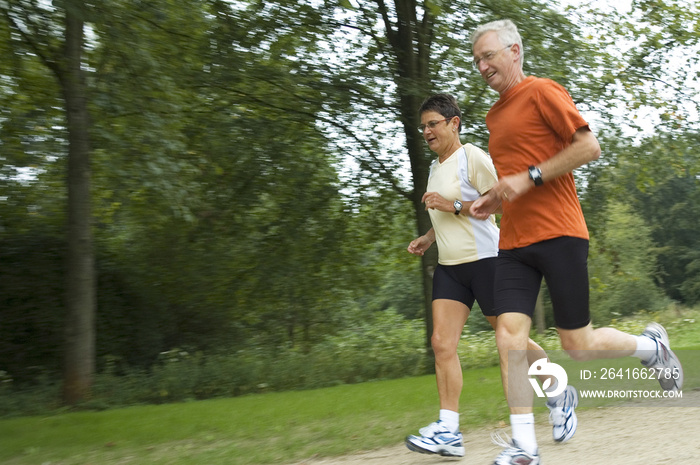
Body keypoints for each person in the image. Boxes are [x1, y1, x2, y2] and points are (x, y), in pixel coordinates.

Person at [468, 19, 684, 465]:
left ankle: (652, 347)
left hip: (560, 233)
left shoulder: (543, 90)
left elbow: (589, 147)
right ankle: (525, 446)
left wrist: (527, 178)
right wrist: (494, 198)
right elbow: (516, 177)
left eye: (488, 55)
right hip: (513, 242)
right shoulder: (493, 114)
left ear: (514, 51)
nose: (482, 65)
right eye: (476, 60)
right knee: (509, 337)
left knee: (578, 345)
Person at [404, 94, 579, 458]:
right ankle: (449, 430)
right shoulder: (436, 166)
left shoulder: (473, 157)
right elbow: (446, 213)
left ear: (454, 123)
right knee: (441, 343)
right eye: (423, 126)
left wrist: (450, 205)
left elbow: (497, 202)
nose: (426, 131)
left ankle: (559, 391)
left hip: (486, 261)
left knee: (512, 340)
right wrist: (429, 237)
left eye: (433, 123)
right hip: (451, 267)